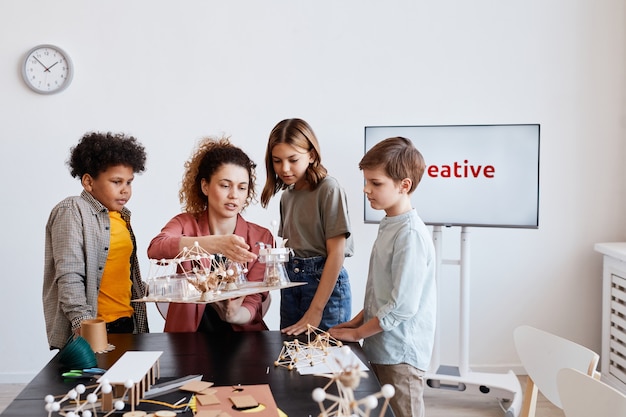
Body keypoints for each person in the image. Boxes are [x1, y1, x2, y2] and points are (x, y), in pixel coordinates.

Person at [328, 137, 437, 417]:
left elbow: (402, 307)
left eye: (376, 183)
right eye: (366, 181)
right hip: (381, 346)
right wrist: (355, 323)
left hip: (400, 354)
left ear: (404, 186)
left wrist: (357, 333)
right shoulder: (391, 224)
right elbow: (383, 293)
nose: (366, 189)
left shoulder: (410, 234)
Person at [148, 136, 273, 332]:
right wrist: (214, 244)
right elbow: (156, 248)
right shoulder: (184, 223)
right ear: (205, 186)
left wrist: (234, 315)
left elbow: (255, 298)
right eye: (225, 185)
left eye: (242, 188)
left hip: (244, 339)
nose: (234, 195)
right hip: (187, 340)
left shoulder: (262, 237)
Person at [42, 132, 149, 350]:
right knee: (94, 384)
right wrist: (83, 324)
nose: (125, 190)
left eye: (129, 182)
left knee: (130, 384)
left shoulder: (122, 217)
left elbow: (122, 276)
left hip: (128, 323)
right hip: (94, 328)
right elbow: (69, 275)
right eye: (116, 181)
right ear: (89, 182)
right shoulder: (72, 210)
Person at [260, 118, 353, 335]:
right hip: (292, 286)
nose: (284, 168)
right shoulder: (287, 197)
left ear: (311, 155)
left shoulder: (328, 189)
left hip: (324, 288)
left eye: (293, 159)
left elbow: (337, 254)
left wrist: (316, 310)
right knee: (290, 357)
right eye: (277, 160)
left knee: (326, 361)